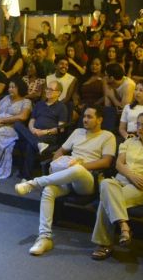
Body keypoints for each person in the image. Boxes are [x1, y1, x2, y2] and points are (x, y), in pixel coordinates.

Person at [15, 106, 116, 256]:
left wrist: (81, 165)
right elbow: (60, 151)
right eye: (84, 116)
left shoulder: (107, 136)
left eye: (89, 117)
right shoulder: (77, 132)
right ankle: (44, 237)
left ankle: (34, 183)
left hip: (87, 180)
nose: (85, 119)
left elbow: (106, 162)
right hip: (67, 175)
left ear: (100, 120)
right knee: (49, 190)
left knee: (78, 170)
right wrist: (57, 164)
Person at [91, 111, 143, 259]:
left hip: (139, 186)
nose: (139, 128)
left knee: (106, 199)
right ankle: (124, 226)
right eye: (138, 124)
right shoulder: (129, 142)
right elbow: (119, 164)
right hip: (119, 181)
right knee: (106, 183)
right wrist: (131, 175)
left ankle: (104, 244)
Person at [14, 81, 69, 179]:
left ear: (58, 93)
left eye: (51, 89)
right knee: (17, 124)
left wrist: (44, 132)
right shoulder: (39, 104)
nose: (47, 91)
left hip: (48, 136)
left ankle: (26, 177)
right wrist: (33, 129)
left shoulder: (62, 107)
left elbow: (61, 129)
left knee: (29, 145)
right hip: (34, 133)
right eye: (47, 89)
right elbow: (32, 120)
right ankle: (38, 144)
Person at [0, 80, 32, 179]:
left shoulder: (26, 101)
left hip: (11, 127)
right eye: (9, 87)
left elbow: (23, 116)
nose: (10, 89)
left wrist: (2, 120)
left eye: (13, 87)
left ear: (20, 88)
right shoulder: (6, 98)